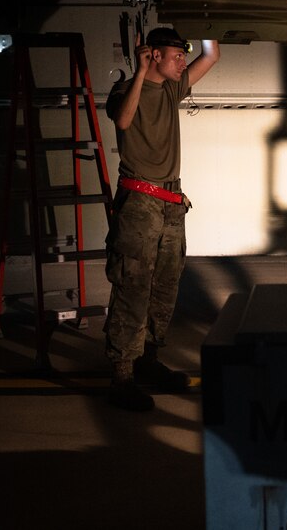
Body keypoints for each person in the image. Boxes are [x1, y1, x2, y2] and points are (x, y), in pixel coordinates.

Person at [104, 27, 220, 410]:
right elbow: (123, 121)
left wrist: (208, 21)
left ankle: (147, 360)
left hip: (171, 203)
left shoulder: (172, 89)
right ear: (154, 55)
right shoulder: (125, 91)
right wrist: (140, 72)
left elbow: (211, 55)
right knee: (133, 287)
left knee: (164, 289)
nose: (183, 63)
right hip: (139, 203)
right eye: (176, 56)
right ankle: (122, 375)